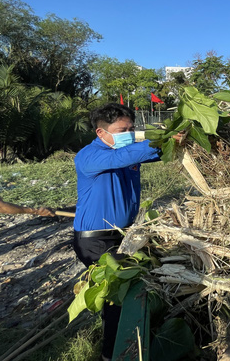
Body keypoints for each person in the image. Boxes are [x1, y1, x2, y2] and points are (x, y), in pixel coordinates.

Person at [73, 103, 176, 361]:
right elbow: (120, 157)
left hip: (122, 234)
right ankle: (112, 354)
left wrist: (179, 139)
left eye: (131, 128)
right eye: (122, 130)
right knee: (117, 298)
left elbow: (158, 153)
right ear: (101, 132)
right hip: (95, 239)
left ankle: (129, 342)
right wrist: (161, 138)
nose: (129, 134)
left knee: (127, 291)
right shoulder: (90, 156)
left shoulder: (127, 153)